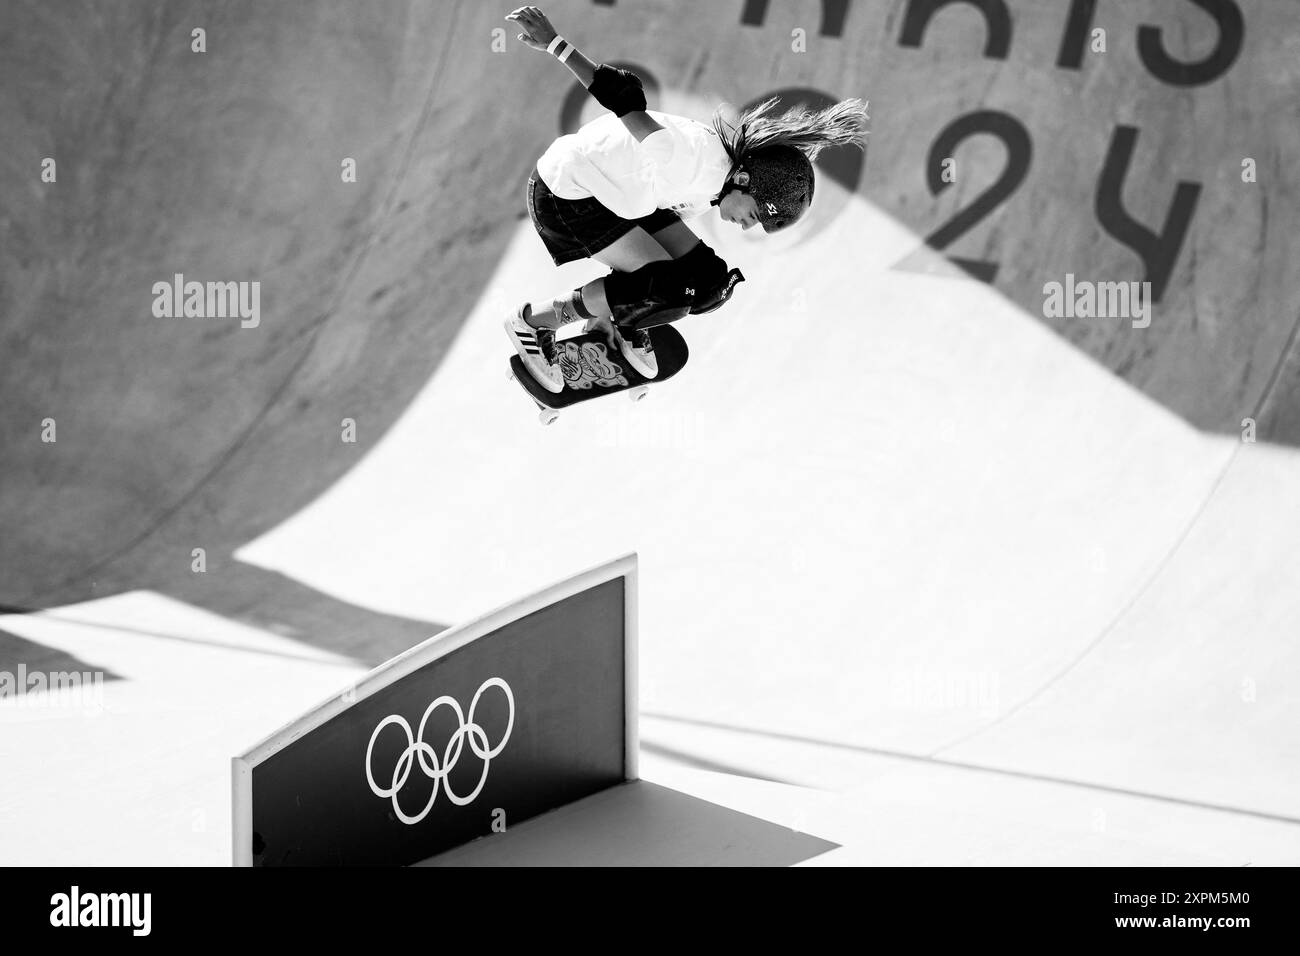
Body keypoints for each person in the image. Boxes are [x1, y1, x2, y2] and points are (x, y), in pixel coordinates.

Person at [504, 5, 867, 392]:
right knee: (672, 290)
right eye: (756, 214)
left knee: (709, 285)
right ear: (743, 179)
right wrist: (555, 44)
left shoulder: (716, 184)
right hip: (566, 194)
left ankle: (614, 318)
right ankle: (536, 321)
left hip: (620, 197)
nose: (748, 226)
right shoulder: (687, 159)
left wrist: (632, 296)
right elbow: (623, 95)